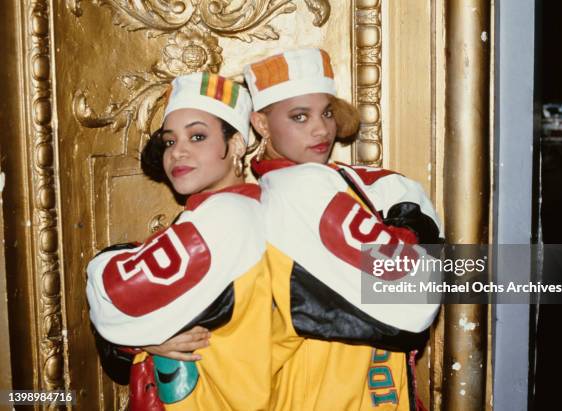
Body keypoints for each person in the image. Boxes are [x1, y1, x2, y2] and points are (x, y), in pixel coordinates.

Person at [243, 48, 443, 410]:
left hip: (380, 388)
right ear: (260, 123)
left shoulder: (380, 187)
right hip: (314, 393)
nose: (321, 129)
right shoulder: (266, 197)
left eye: (327, 113)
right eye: (299, 117)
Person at [86, 72, 274, 410]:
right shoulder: (232, 209)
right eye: (170, 142)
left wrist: (105, 265)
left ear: (236, 145)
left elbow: (112, 290)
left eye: (198, 137)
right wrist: (150, 335)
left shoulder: (225, 215)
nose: (177, 153)